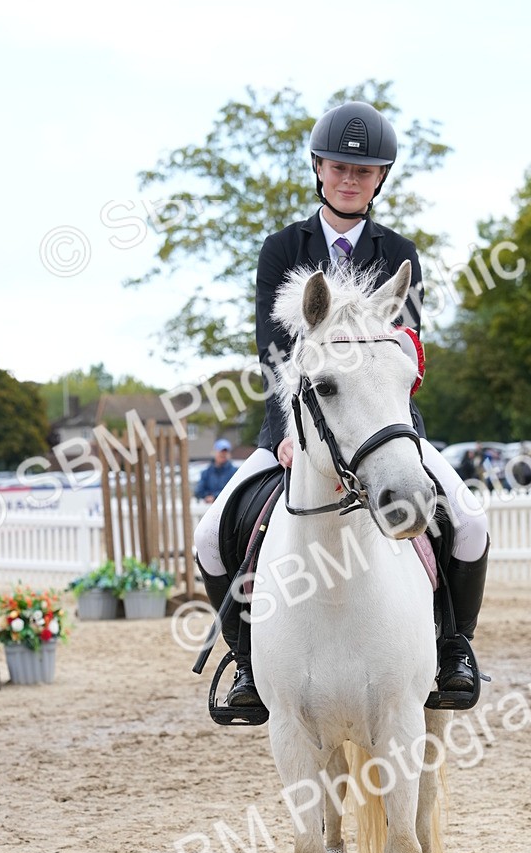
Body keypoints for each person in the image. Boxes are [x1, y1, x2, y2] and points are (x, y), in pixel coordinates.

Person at [193, 100, 490, 711]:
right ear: (318, 170)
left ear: (380, 179)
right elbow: (273, 352)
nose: (350, 180)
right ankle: (248, 661)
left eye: (364, 171)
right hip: (296, 425)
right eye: (338, 168)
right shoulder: (283, 248)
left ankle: (453, 646)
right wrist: (284, 433)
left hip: (383, 426)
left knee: (469, 524)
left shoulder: (399, 251)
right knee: (208, 536)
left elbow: (404, 352)